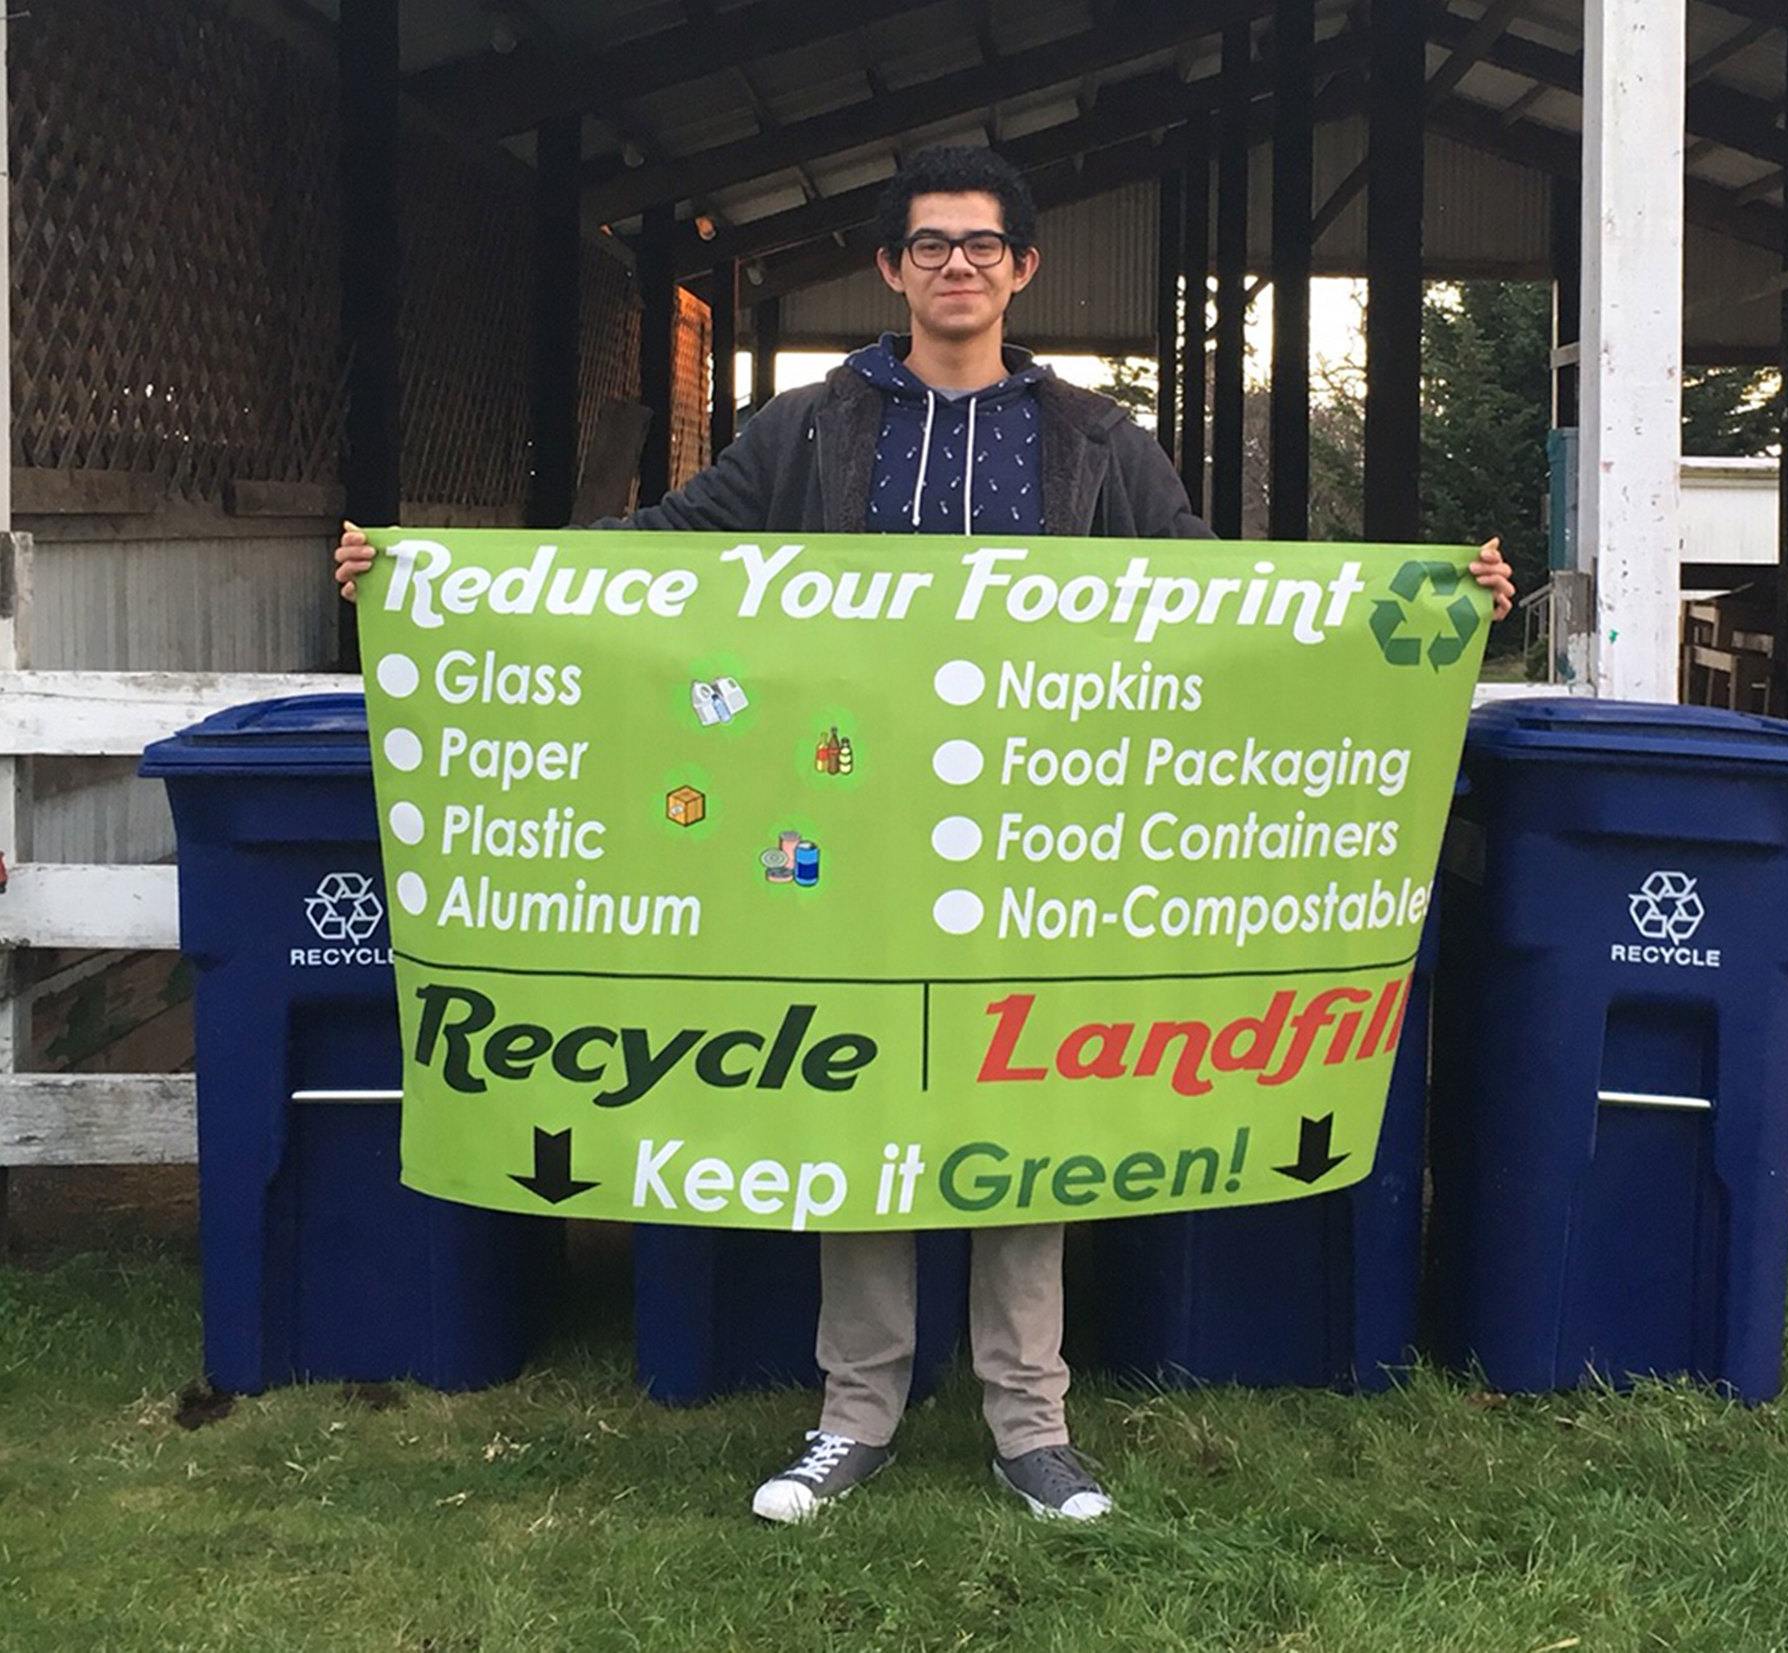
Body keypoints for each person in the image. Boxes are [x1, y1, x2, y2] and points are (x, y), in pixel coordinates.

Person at [336, 145, 1515, 1526]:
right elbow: (662, 552)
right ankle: (855, 1413)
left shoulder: (1096, 442)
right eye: (929, 244)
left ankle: (1034, 1425)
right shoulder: (811, 428)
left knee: (1022, 1109)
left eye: (982, 244)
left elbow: (1221, 594)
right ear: (892, 268)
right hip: (841, 830)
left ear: (1023, 268)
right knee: (864, 1108)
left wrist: (1432, 597)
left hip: (1032, 833)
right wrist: (438, 577)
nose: (957, 264)